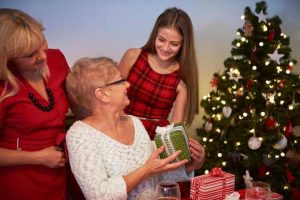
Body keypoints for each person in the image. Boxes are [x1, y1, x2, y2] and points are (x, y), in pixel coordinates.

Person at [65, 57, 205, 200]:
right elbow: (99, 195)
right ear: (102, 94)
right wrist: (146, 171)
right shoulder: (80, 134)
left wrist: (191, 165)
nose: (127, 85)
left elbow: (157, 175)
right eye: (120, 81)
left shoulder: (134, 122)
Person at [0, 8, 70, 199]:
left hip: (59, 170)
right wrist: (38, 157)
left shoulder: (57, 60)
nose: (43, 56)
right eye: (30, 54)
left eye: (42, 45)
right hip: (20, 180)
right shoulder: (3, 88)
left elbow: (79, 103)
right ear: (7, 58)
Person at [119, 7, 199, 140]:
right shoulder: (132, 56)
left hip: (154, 139)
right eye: (161, 40)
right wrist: (127, 128)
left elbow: (175, 131)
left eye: (174, 44)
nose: (166, 48)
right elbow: (113, 97)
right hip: (121, 127)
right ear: (155, 35)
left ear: (183, 45)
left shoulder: (181, 79)